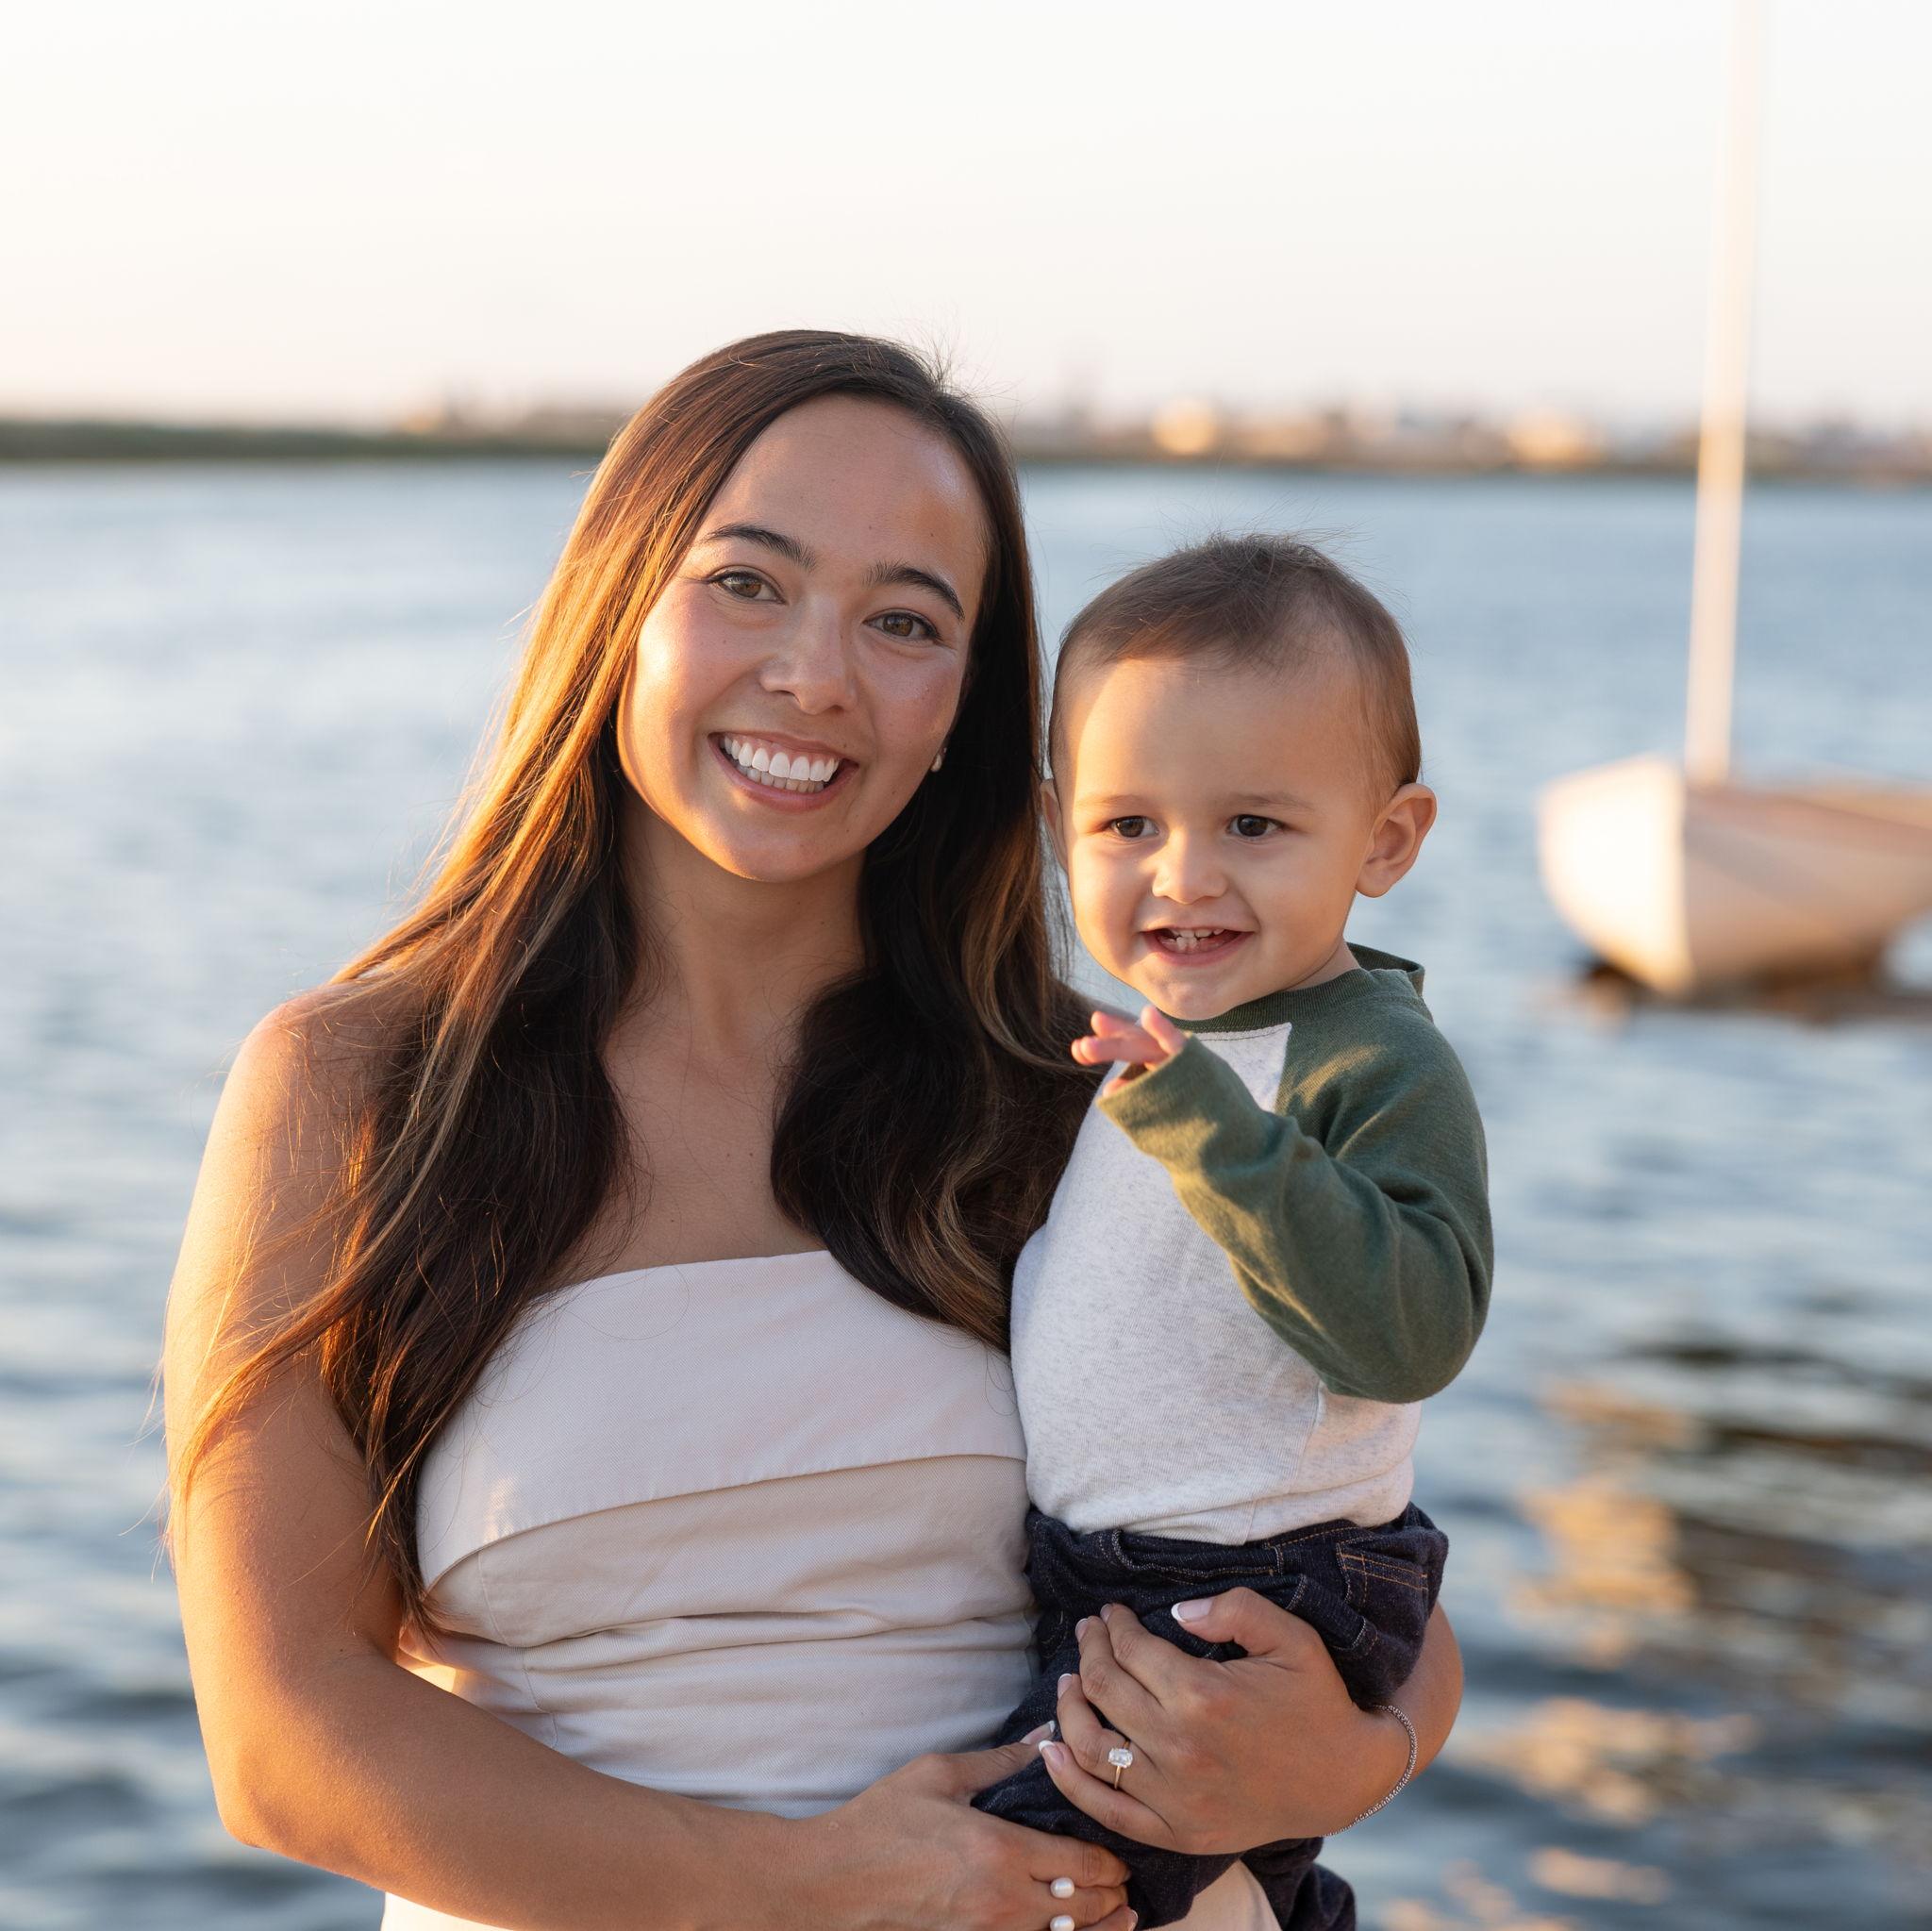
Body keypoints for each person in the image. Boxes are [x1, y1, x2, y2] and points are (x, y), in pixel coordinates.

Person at [162, 332, 1465, 1931]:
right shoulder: (358, 1090)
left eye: (905, 621)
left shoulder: (1094, 1091)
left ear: (966, 709)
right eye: (746, 582)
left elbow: (1350, 1538)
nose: (816, 675)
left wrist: (1355, 1759)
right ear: (618, 610)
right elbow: (281, 1743)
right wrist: (801, 1888)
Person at [973, 538, 1491, 1929]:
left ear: (1384, 840)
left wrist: (1211, 1128)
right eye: (1128, 826)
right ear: (1058, 826)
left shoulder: (1368, 1061)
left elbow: (1411, 1333)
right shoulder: (1149, 1050)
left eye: (1254, 826)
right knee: (1217, 1875)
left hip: (1252, 1580)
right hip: (1111, 1572)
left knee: (1035, 1876)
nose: (1184, 877)